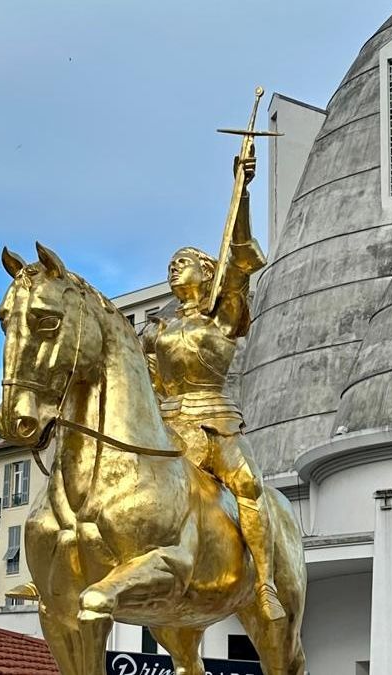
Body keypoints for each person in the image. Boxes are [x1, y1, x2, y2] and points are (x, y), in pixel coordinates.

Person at [140, 154, 284, 622]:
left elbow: (240, 259)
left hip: (216, 423)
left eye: (183, 262)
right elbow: (144, 378)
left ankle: (264, 582)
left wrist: (242, 191)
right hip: (169, 427)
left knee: (247, 486)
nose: (173, 268)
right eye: (170, 264)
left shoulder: (222, 318)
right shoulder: (157, 329)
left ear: (206, 271)